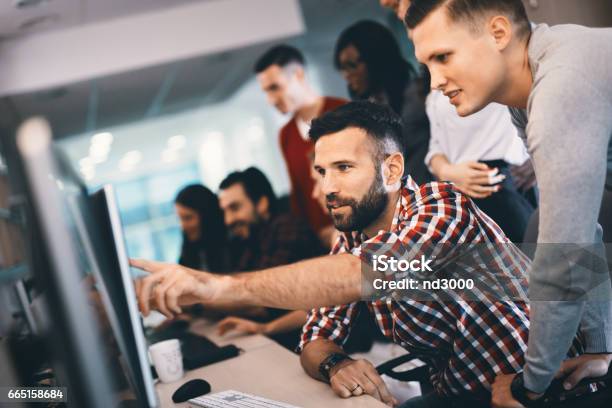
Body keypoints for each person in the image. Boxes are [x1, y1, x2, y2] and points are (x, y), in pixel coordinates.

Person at [132, 102, 573, 406]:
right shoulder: (352, 237)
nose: (328, 188)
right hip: (462, 393)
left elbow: (362, 275)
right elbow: (314, 338)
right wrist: (335, 363)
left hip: (537, 389)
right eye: (322, 171)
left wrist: (215, 287)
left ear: (393, 169)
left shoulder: (442, 208)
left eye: (344, 168)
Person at [403, 1, 612, 406]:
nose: (434, 81)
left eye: (443, 57)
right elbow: (583, 235)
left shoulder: (560, 87)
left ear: (499, 33)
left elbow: (562, 261)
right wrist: (599, 346)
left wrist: (528, 385)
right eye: (427, 64)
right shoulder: (526, 95)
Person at [216, 167, 326, 350]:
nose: (227, 220)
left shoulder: (289, 228)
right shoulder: (250, 238)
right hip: (296, 341)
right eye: (224, 211)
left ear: (262, 203)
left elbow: (261, 300)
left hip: (308, 342)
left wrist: (195, 301)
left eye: (234, 208)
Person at [254, 45, 345, 248]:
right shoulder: (286, 135)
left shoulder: (343, 111)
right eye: (266, 92)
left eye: (275, 88)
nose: (271, 100)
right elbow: (299, 195)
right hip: (321, 243)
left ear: (298, 75)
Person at [425, 89, 534, 243]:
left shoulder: (497, 75)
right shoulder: (437, 89)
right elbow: (435, 146)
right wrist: (446, 171)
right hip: (457, 192)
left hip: (506, 187)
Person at [334, 20, 432, 184]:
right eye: (343, 68)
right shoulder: (370, 107)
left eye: (352, 65)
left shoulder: (418, 96)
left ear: (376, 59)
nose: (347, 75)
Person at [175, 184, 229, 272]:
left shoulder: (233, 244)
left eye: (188, 218)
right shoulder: (189, 247)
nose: (183, 226)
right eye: (180, 219)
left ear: (207, 215)